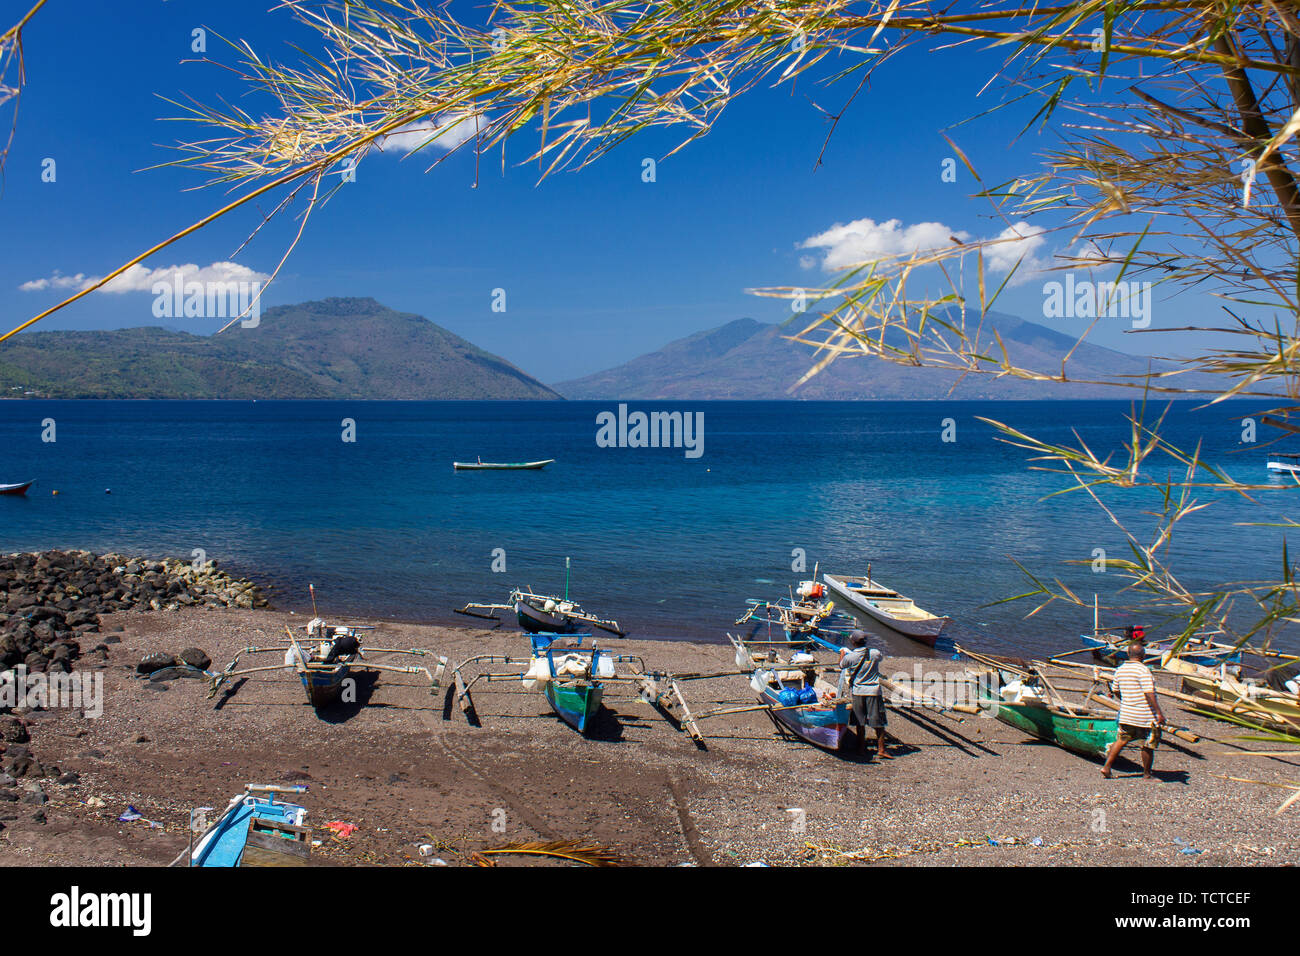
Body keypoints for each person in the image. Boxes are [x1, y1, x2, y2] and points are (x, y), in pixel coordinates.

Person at [1101, 642, 1166, 779]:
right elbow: (1149, 693)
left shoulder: (1120, 669)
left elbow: (1116, 690)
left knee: (1122, 740)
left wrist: (1127, 700)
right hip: (1144, 715)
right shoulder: (1143, 670)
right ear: (1143, 655)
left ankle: (1107, 767)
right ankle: (1147, 774)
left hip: (1127, 713)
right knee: (1148, 743)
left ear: (1128, 654)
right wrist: (1159, 713)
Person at [838, 631, 887, 760]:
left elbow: (841, 665)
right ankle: (881, 749)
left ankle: (861, 748)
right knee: (878, 721)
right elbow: (880, 658)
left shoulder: (851, 657)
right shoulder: (875, 653)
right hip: (874, 691)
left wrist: (842, 653)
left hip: (858, 691)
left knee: (860, 722)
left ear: (853, 642)